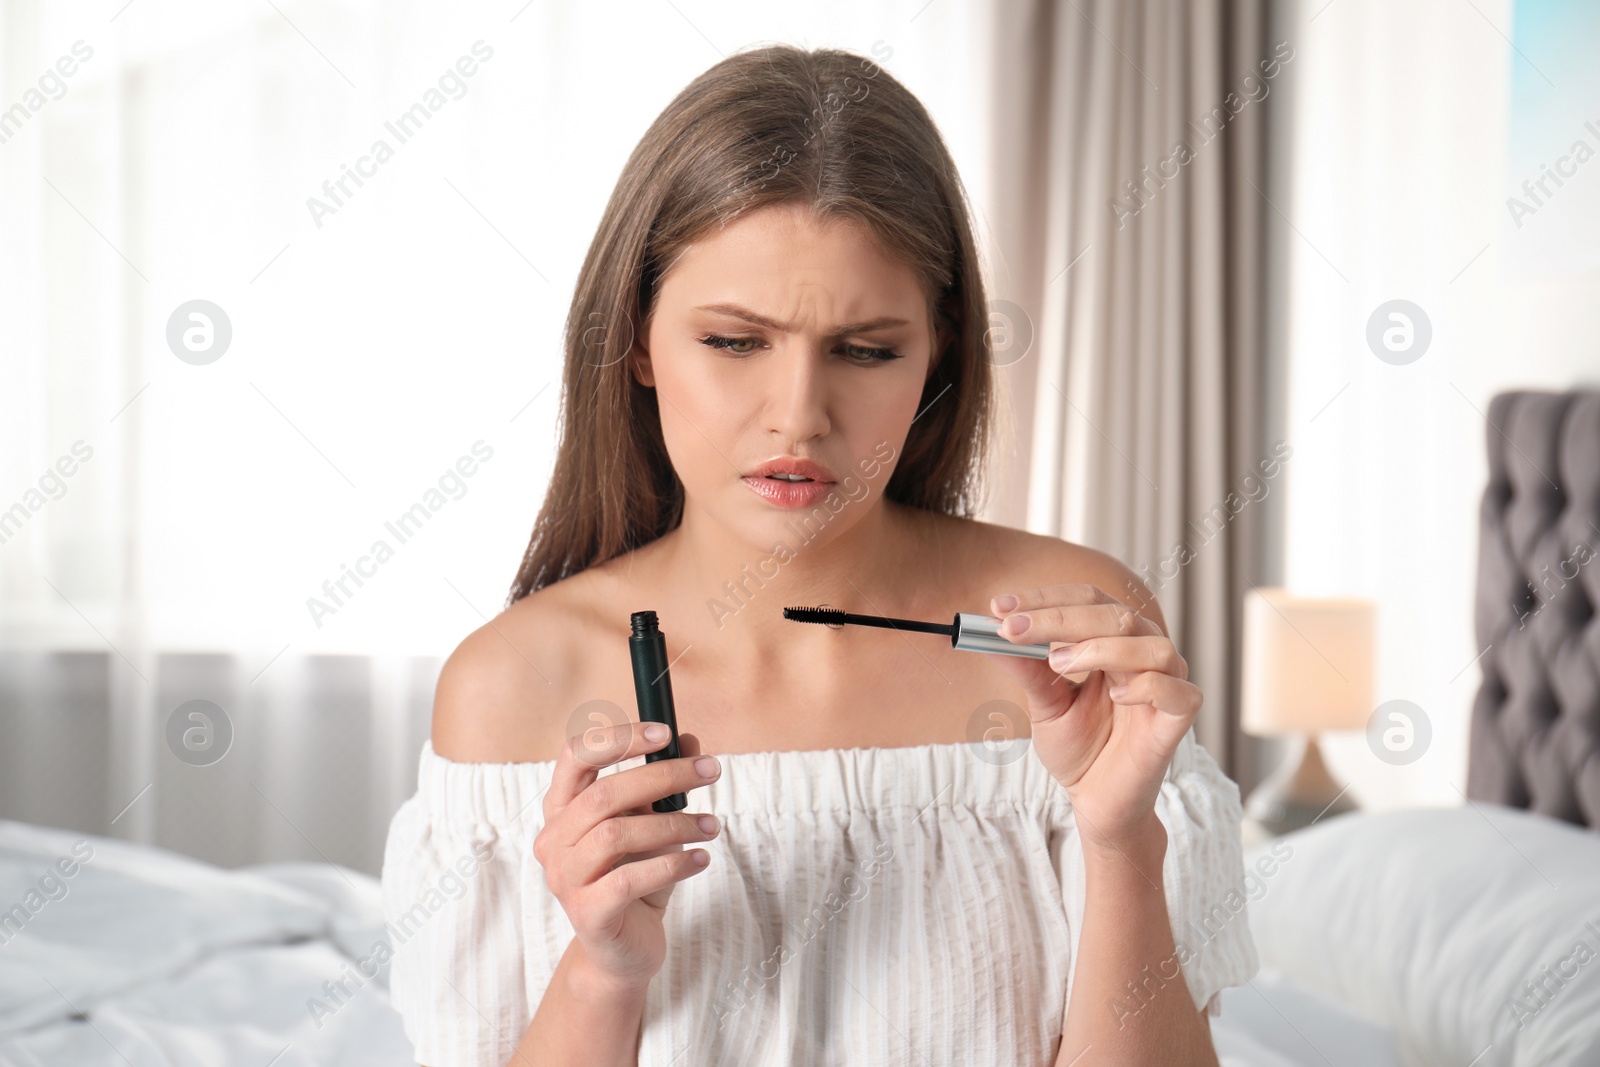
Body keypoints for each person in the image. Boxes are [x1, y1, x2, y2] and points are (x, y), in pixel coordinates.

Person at [380, 42, 1257, 1067]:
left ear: (939, 357)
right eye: (735, 341)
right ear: (635, 342)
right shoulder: (511, 687)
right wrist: (604, 967)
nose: (798, 415)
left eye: (866, 350)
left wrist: (1119, 839)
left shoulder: (1074, 634)